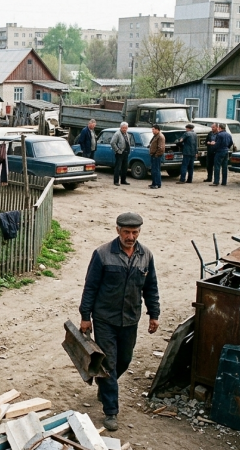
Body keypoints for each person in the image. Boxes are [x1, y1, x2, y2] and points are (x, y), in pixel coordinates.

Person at [78, 212, 160, 433]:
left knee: (125, 359)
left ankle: (105, 385)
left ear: (139, 232)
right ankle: (111, 411)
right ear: (118, 231)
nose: (130, 236)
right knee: (109, 364)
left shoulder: (146, 256)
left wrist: (154, 314)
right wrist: (85, 316)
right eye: (126, 232)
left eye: (134, 232)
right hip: (105, 318)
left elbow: (150, 287)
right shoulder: (103, 254)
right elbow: (90, 287)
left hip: (130, 319)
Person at [110, 122, 133, 186]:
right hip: (120, 153)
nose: (124, 129)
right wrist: (117, 150)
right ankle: (116, 181)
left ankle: (123, 180)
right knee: (118, 167)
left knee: (125, 167)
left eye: (125, 128)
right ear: (120, 127)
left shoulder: (127, 134)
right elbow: (112, 142)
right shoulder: (117, 134)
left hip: (126, 153)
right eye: (123, 128)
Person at [148, 124, 165, 189]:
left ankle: (157, 184)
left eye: (154, 129)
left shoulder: (160, 136)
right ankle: (154, 183)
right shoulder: (155, 136)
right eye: (152, 129)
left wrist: (156, 155)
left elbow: (161, 147)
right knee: (153, 170)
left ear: (157, 129)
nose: (152, 130)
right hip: (153, 155)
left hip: (156, 156)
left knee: (156, 170)